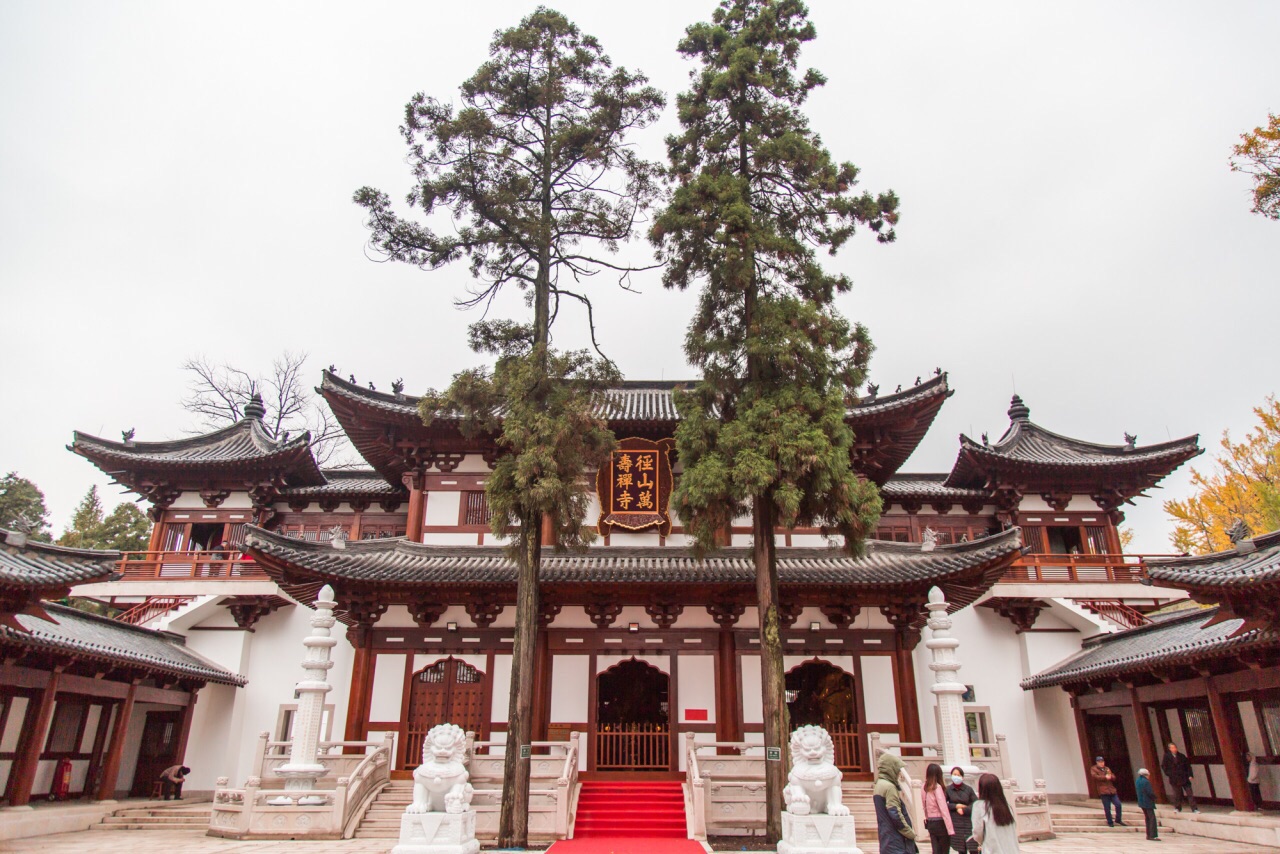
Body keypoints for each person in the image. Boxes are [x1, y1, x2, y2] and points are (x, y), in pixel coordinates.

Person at [873, 752, 919, 854]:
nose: (899, 773)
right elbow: (895, 813)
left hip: (887, 836)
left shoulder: (879, 784)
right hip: (896, 840)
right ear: (891, 768)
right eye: (898, 770)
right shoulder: (889, 787)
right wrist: (909, 832)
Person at [972, 773, 1020, 854]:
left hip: (992, 850)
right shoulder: (1007, 806)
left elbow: (977, 833)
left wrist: (981, 842)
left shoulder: (979, 806)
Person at [921, 763, 955, 854]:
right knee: (944, 850)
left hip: (931, 822)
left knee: (935, 849)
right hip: (940, 822)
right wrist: (950, 828)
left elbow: (924, 806)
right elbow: (943, 809)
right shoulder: (937, 787)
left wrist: (928, 818)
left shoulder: (924, 786)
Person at [945, 765, 979, 854]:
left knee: (973, 847)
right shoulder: (948, 789)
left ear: (962, 777)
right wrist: (955, 806)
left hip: (968, 821)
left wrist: (965, 810)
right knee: (961, 849)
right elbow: (943, 805)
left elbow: (976, 803)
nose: (956, 777)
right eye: (954, 774)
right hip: (956, 822)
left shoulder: (968, 789)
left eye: (958, 775)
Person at [1160, 743, 1199, 813]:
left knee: (1190, 793)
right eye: (1172, 748)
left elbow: (1188, 766)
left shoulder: (1182, 756)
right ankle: (1177, 808)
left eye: (1175, 747)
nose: (1174, 749)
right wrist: (1169, 774)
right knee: (1177, 794)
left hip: (1184, 777)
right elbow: (1164, 766)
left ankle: (1194, 808)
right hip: (1174, 778)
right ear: (1169, 749)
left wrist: (1190, 775)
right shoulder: (1167, 757)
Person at [1090, 755, 1126, 827]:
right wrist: (1104, 777)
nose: (1101, 763)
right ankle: (1110, 821)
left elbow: (1112, 776)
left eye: (1102, 761)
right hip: (1103, 790)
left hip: (1111, 790)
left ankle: (1118, 819)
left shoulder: (1107, 768)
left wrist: (1111, 777)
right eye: (1099, 762)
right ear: (1097, 762)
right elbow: (1095, 777)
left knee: (1118, 804)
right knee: (1107, 807)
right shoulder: (1094, 769)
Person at [1136, 768, 1160, 841]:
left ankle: (1148, 834)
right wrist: (1155, 797)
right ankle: (1152, 835)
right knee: (1152, 818)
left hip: (1141, 802)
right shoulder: (1146, 782)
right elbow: (1149, 792)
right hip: (1147, 802)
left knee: (1147, 818)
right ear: (1146, 775)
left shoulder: (1138, 780)